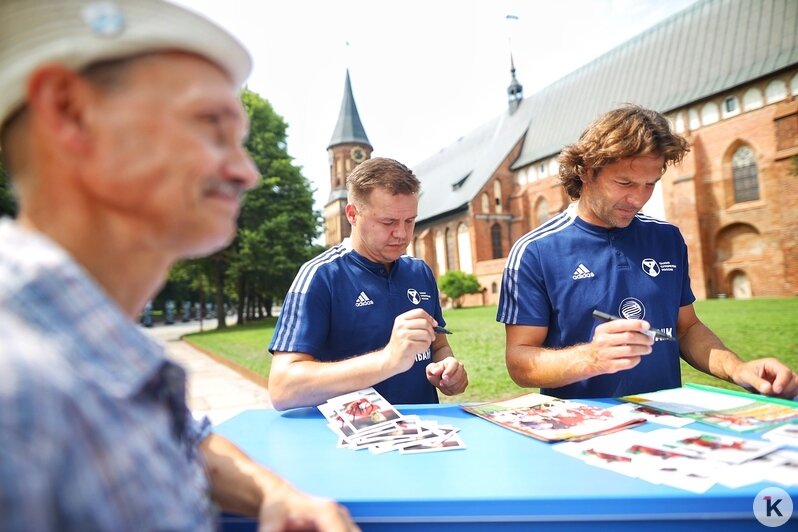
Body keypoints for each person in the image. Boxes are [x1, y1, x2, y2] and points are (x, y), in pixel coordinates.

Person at [0, 1, 355, 530]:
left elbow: (180, 439)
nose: (246, 172)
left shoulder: (91, 344)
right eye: (211, 124)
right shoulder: (19, 393)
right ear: (71, 113)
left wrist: (273, 495)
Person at [497, 104, 798, 400]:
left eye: (650, 184)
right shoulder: (535, 251)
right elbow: (520, 362)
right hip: (580, 433)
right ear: (587, 171)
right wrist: (591, 358)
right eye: (624, 182)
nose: (638, 198)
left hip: (664, 427)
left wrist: (739, 369)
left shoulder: (667, 238)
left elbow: (687, 328)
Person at [268, 157, 468, 410]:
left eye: (410, 221)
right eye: (388, 222)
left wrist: (447, 368)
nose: (402, 234)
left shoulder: (420, 272)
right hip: (353, 439)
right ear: (352, 214)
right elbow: (282, 389)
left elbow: (438, 345)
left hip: (425, 435)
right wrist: (387, 360)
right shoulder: (320, 276)